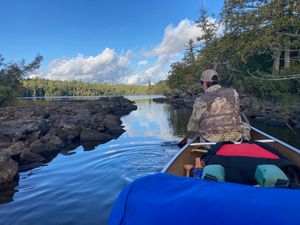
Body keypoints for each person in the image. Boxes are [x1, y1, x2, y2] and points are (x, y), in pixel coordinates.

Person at [187, 69, 250, 142]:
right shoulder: (233, 92)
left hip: (212, 141)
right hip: (236, 137)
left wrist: (190, 132)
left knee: (193, 138)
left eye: (201, 83)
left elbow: (192, 127)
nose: (201, 86)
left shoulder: (201, 100)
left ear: (205, 83)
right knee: (244, 126)